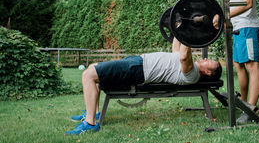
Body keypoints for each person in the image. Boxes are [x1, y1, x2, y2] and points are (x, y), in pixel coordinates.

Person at [65, 38, 222, 135]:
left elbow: (183, 55)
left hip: (139, 69)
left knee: (89, 75)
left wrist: (188, 33)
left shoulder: (193, 73)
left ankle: (91, 123)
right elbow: (177, 46)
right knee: (94, 67)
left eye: (209, 62)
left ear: (208, 72)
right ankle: (95, 113)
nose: (206, 58)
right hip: (138, 62)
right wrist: (179, 24)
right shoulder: (192, 66)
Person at [213, 0, 259, 124]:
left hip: (248, 25)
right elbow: (234, 3)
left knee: (251, 65)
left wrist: (224, 15)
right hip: (237, 25)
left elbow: (247, 2)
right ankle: (243, 102)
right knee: (238, 65)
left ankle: (251, 108)